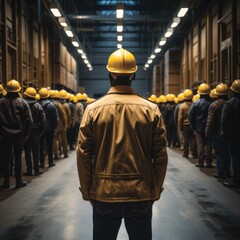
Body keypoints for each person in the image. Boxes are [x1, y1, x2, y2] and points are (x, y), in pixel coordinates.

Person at [77, 48, 168, 240]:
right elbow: (160, 154)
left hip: (104, 192)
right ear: (133, 74)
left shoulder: (93, 110)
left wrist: (87, 190)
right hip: (141, 191)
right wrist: (155, 188)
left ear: (110, 73)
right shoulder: (150, 109)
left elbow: (84, 154)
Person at [0, 80, 33, 188]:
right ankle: (18, 181)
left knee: (6, 158)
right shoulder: (22, 102)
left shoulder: (1, 102)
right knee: (17, 158)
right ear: (18, 90)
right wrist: (26, 134)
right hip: (19, 135)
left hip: (4, 134)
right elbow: (29, 120)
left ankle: (6, 182)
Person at [189, 83, 213, 168]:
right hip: (209, 128)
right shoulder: (212, 103)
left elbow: (190, 116)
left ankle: (201, 162)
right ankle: (209, 162)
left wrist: (193, 127)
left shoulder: (195, 103)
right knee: (209, 145)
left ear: (199, 93)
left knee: (200, 145)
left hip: (198, 128)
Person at [221, 79, 240, 187]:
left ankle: (236, 180)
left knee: (235, 157)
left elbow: (224, 121)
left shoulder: (230, 103)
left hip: (233, 135)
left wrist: (226, 134)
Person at [23, 87, 46, 176]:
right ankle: (36, 170)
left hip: (25, 132)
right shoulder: (38, 106)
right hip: (35, 132)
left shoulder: (23, 104)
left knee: (27, 151)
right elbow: (43, 120)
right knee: (36, 151)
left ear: (26, 95)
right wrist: (41, 130)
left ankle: (29, 170)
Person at [39, 88, 58, 168]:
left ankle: (42, 163)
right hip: (50, 129)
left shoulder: (37, 104)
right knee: (50, 146)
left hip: (41, 128)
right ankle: (50, 162)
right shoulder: (52, 105)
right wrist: (55, 127)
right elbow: (55, 118)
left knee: (41, 147)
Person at [178, 89, 197, 159]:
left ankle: (186, 154)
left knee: (186, 140)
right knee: (193, 140)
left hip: (185, 126)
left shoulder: (182, 106)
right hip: (193, 125)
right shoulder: (194, 104)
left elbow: (180, 117)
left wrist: (180, 126)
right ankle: (194, 154)